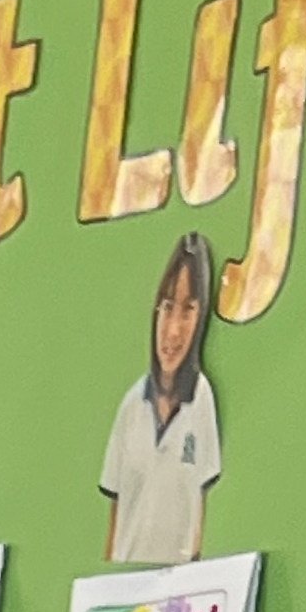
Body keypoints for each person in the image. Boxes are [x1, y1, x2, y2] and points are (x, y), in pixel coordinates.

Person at [103, 230, 220, 570]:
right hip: (127, 583)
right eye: (168, 308)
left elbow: (202, 503)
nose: (173, 330)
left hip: (177, 589)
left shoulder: (201, 400)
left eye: (188, 310)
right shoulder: (132, 405)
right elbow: (116, 509)